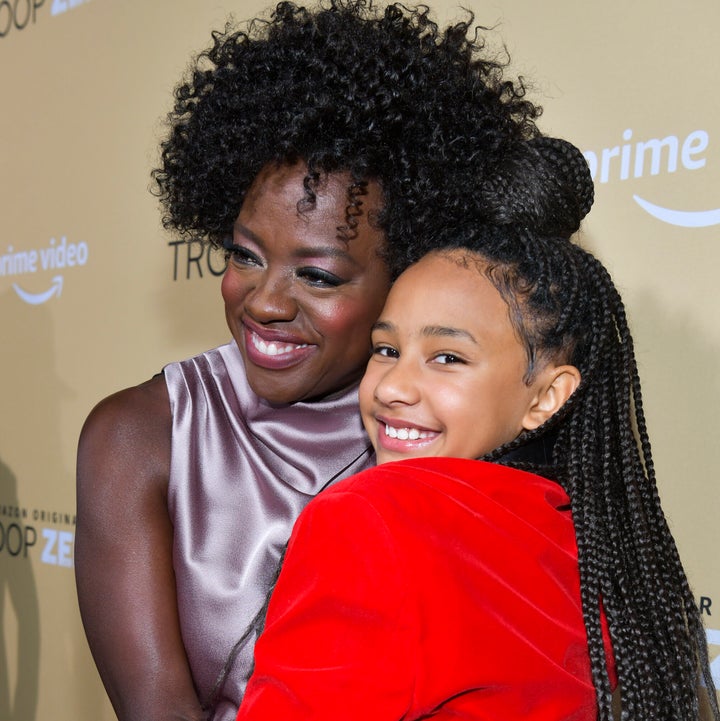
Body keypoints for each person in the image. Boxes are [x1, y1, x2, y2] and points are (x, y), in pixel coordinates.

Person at [74, 2, 545, 720]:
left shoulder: (461, 427)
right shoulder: (139, 437)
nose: (263, 302)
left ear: (409, 273)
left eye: (318, 276)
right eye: (245, 255)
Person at [235, 138, 720, 720]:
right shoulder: (610, 550)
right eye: (386, 349)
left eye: (447, 358)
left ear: (547, 396)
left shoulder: (370, 518)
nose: (391, 387)